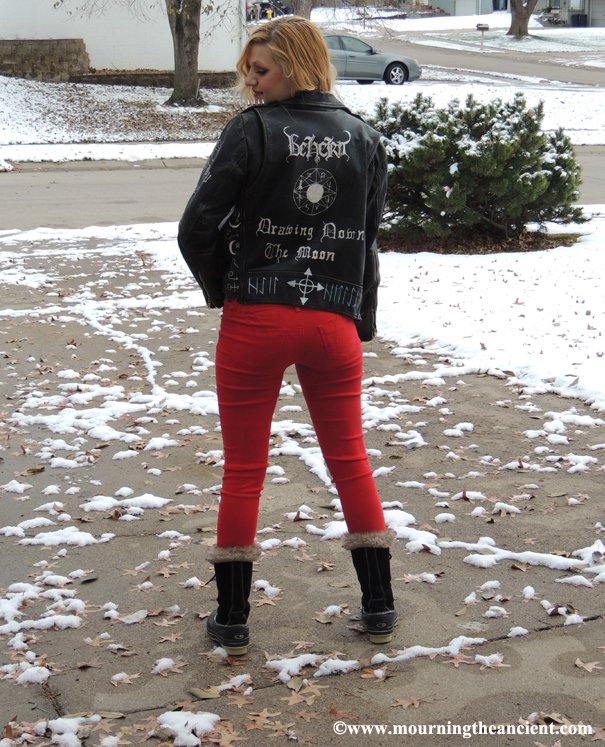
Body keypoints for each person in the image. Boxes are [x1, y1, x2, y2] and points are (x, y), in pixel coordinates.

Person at [178, 16, 396, 656]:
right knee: (350, 461)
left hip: (257, 319)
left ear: (295, 66)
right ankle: (380, 605)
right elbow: (367, 243)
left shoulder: (251, 131)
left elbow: (196, 228)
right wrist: (361, 320)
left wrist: (225, 288)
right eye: (248, 69)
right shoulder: (364, 137)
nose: (251, 81)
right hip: (332, 323)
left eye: (261, 69)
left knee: (244, 469)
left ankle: (232, 617)